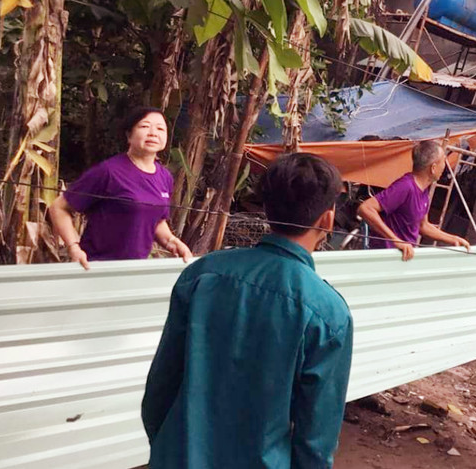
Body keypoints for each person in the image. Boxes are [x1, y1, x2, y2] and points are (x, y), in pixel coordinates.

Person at [142, 153, 354, 468]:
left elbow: (160, 389)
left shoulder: (203, 274)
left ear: (266, 207)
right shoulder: (328, 313)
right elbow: (316, 438)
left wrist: (168, 449)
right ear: (327, 219)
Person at [49, 107, 191, 269]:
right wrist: (74, 247)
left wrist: (172, 241)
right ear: (129, 135)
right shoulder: (108, 171)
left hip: (135, 269)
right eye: (145, 126)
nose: (153, 133)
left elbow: (156, 221)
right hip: (95, 266)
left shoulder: (164, 177)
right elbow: (58, 207)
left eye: (160, 128)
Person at [358, 140, 470, 261]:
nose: (445, 165)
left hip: (403, 257)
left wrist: (453, 239)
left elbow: (423, 226)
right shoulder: (406, 186)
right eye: (443, 160)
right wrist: (396, 240)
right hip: (386, 257)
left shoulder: (423, 191)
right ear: (433, 168)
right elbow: (365, 208)